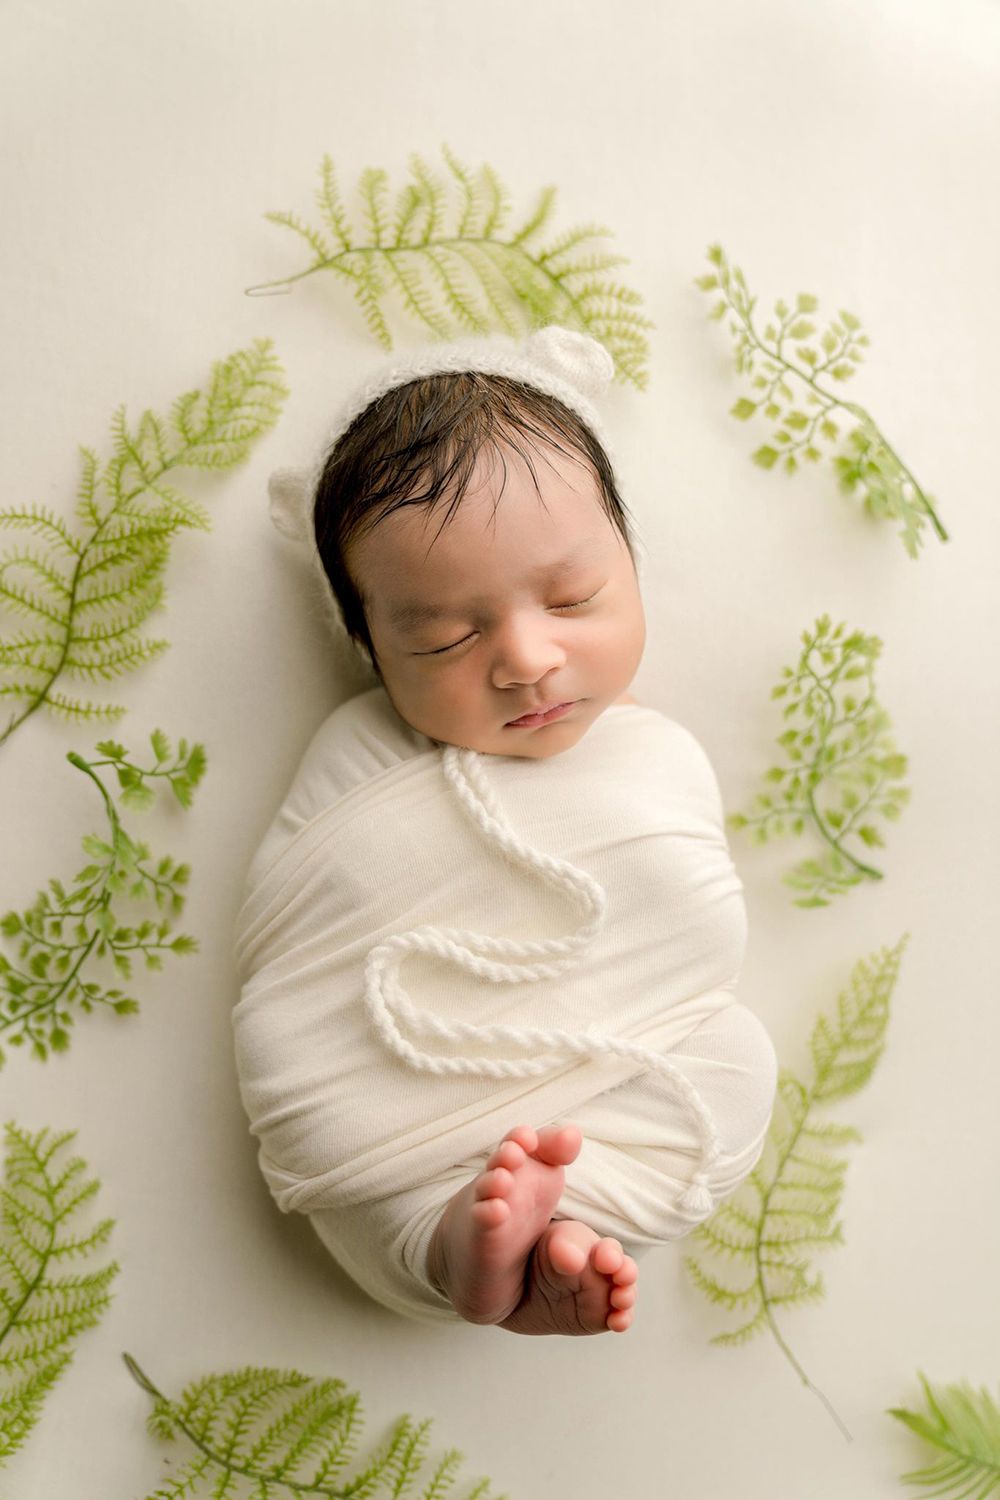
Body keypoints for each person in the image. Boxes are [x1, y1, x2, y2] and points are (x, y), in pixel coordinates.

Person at [233, 325, 777, 1337]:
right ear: (368, 646)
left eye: (572, 598)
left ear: (631, 562)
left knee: (738, 1070)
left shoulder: (656, 753)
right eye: (445, 636)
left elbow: (689, 932)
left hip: (610, 1099)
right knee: (400, 1200)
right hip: (386, 1141)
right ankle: (454, 1247)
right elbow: (303, 940)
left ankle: (550, 1236)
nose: (526, 658)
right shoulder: (359, 748)